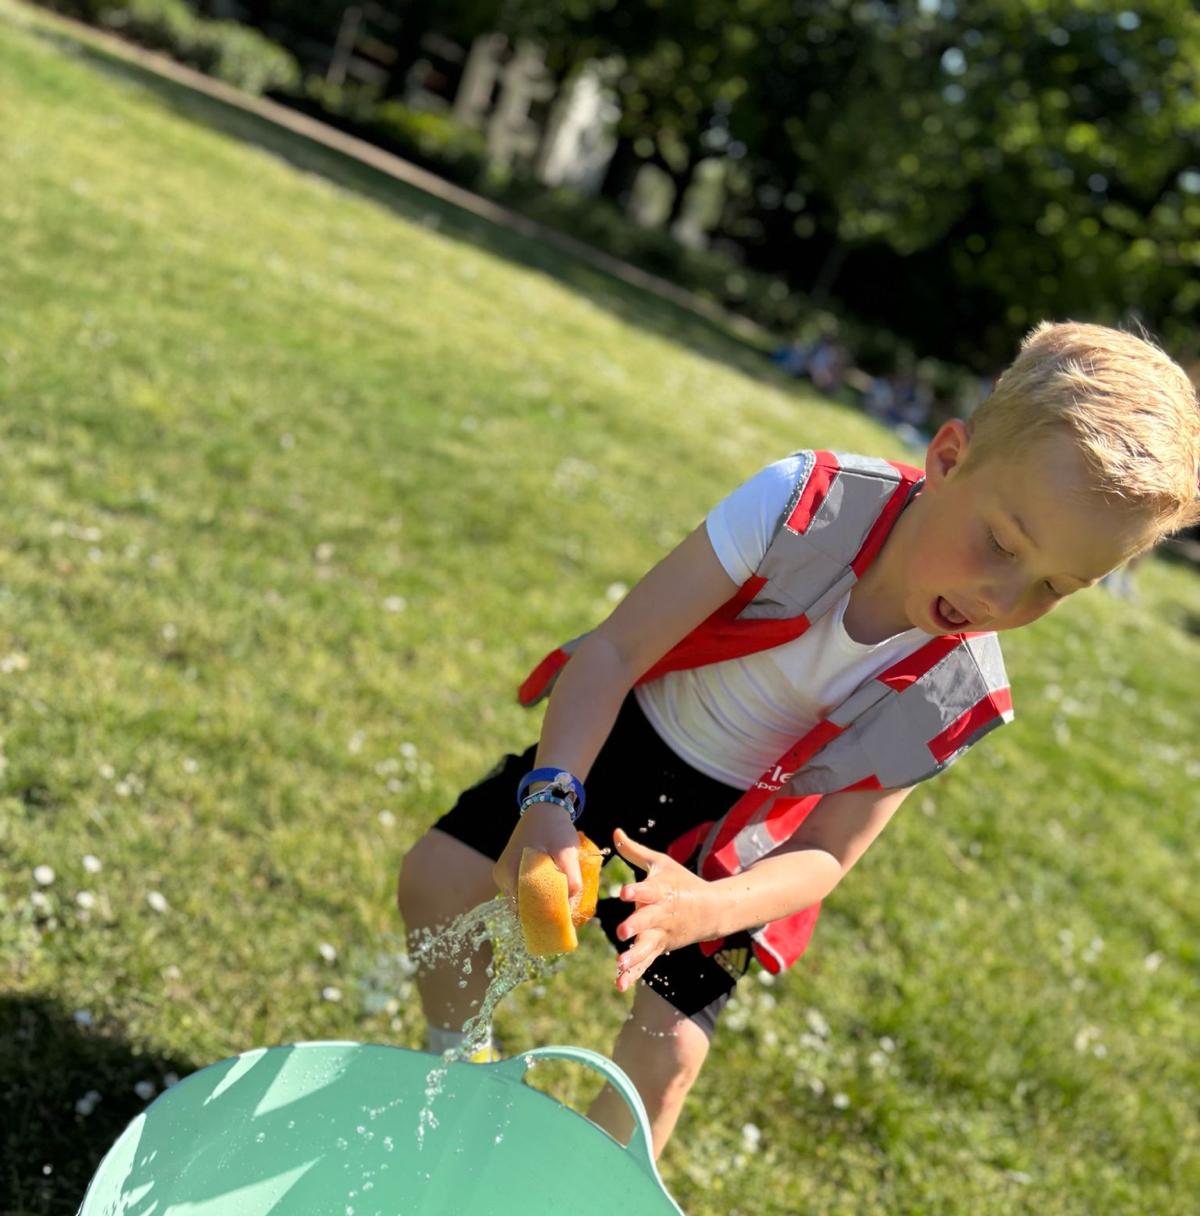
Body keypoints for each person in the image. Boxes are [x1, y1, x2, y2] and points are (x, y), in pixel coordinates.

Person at [397, 322, 1200, 1158]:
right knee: (438, 879)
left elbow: (826, 854)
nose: (1003, 597)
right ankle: (462, 1074)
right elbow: (613, 652)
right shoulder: (801, 505)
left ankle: (581, 1195)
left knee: (666, 1059)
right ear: (948, 458)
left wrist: (709, 908)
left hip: (732, 839)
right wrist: (552, 800)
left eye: (1054, 588)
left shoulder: (955, 691)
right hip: (625, 740)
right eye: (1001, 543)